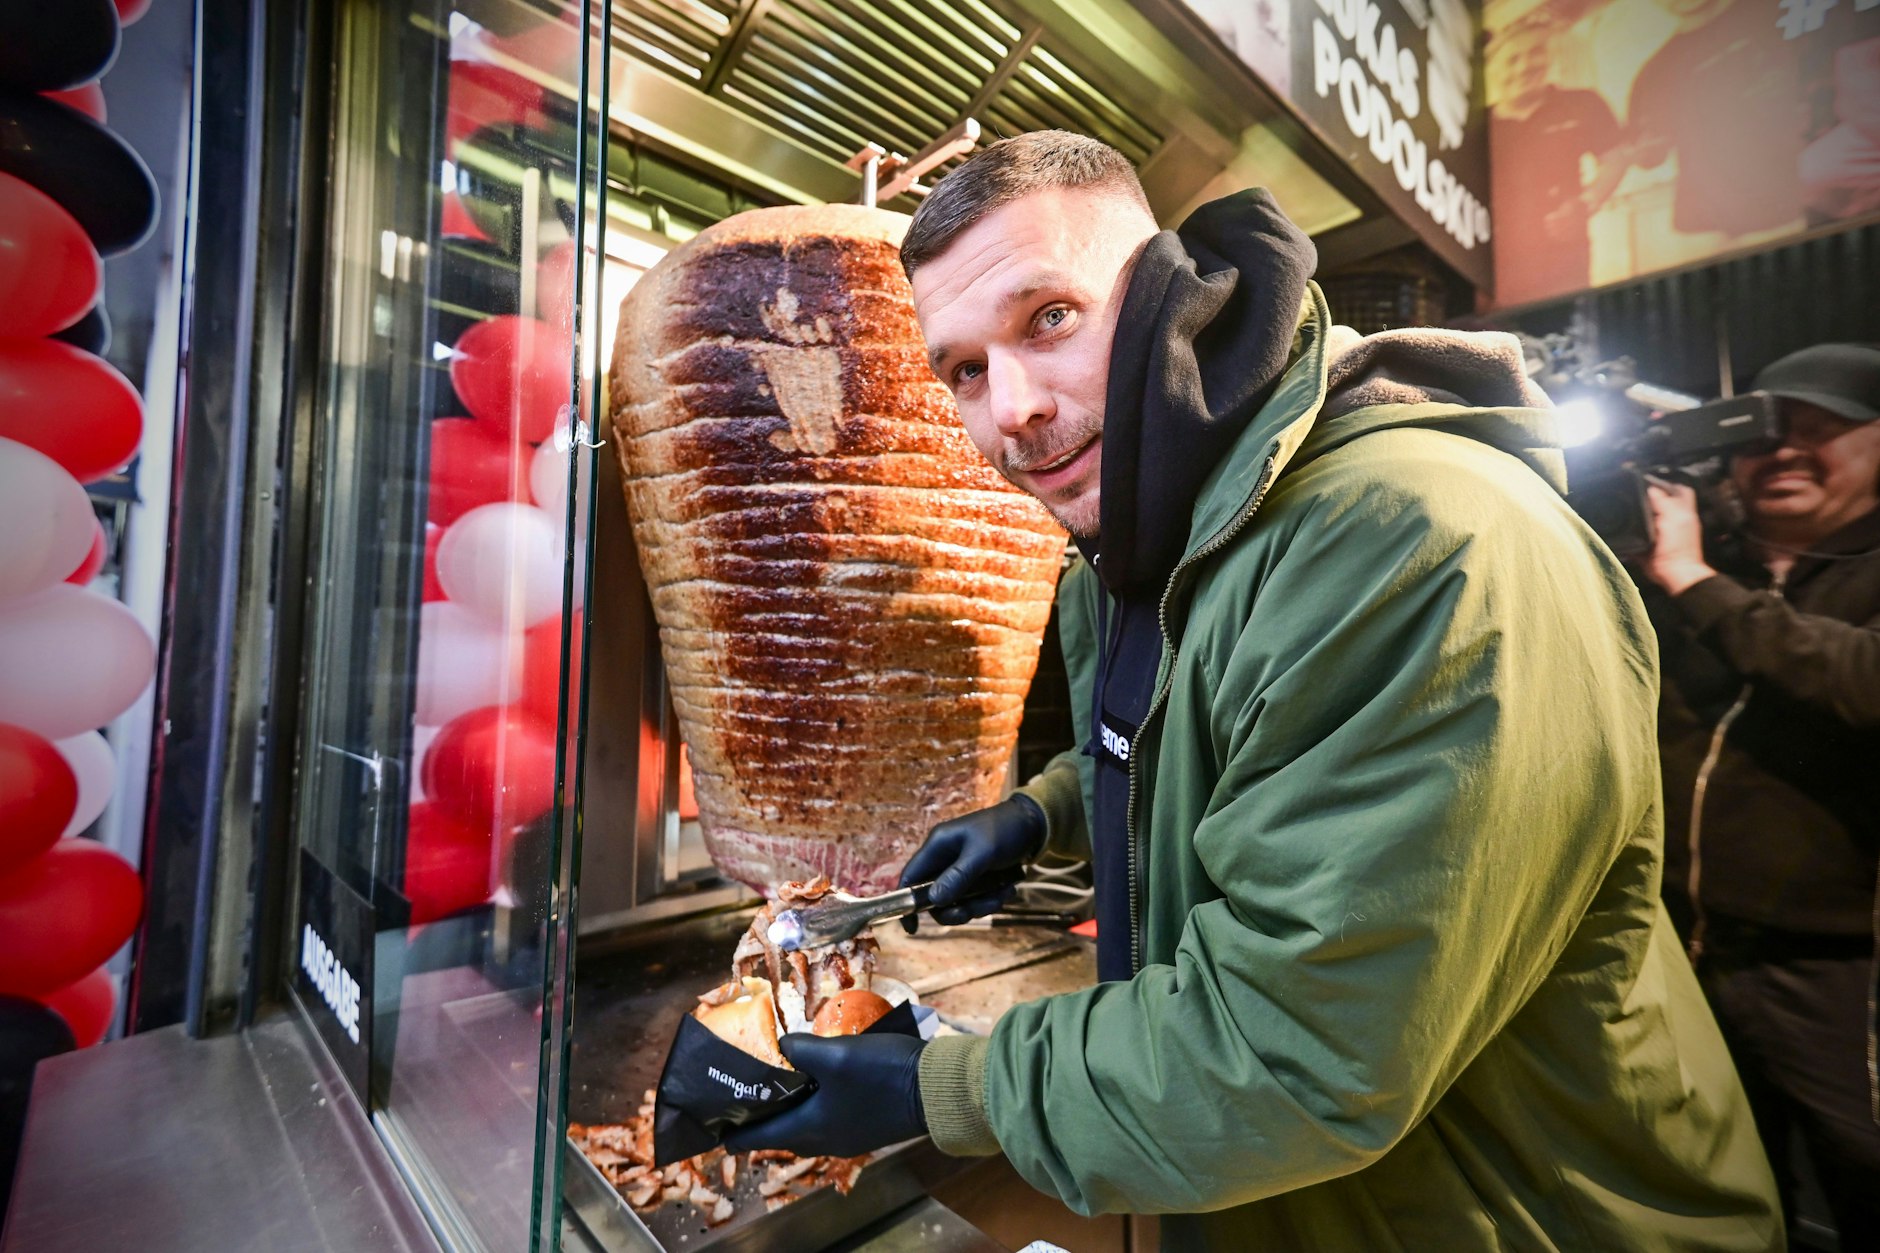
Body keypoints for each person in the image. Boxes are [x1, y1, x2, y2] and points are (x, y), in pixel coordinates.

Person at [725, 131, 1781, 1249]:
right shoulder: (1136, 554)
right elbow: (1216, 738)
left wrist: (943, 1092)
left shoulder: (1417, 545)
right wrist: (1045, 811)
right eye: (965, 371)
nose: (1014, 410)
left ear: (1172, 293)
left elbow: (1298, 1045)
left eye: (1048, 318)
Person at [1638, 342, 1880, 1248]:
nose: (1783, 451)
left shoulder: (1699, 574)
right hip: (1683, 948)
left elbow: (1861, 681)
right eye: (1766, 433)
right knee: (1716, 1183)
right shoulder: (1690, 559)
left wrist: (1697, 582)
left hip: (1836, 965)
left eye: (1822, 430)